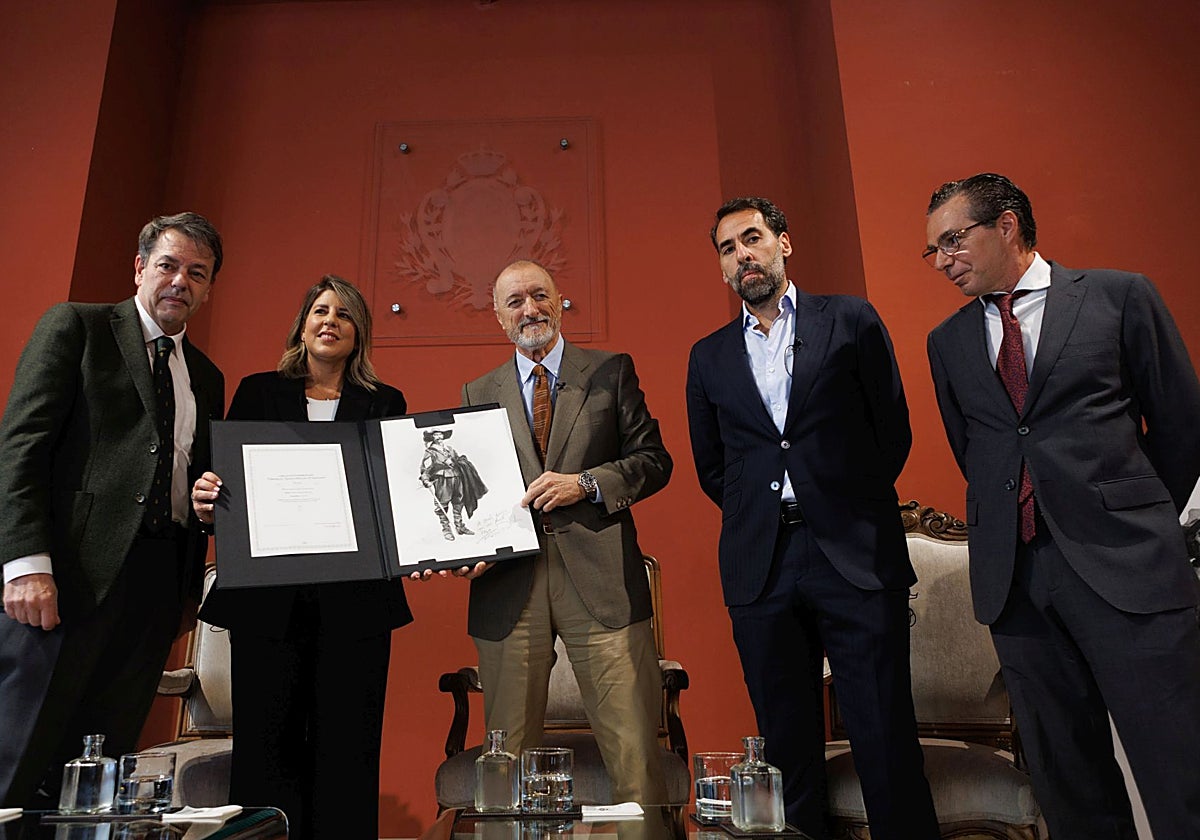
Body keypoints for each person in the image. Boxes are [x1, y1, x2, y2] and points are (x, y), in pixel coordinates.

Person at [925, 173, 1200, 839]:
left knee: (1179, 771)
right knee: (1068, 785)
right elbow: (979, 454)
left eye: (953, 240)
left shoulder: (1119, 296)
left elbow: (1181, 429)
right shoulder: (948, 341)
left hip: (1127, 570)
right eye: (932, 251)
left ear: (1008, 225)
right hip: (1018, 586)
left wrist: (1126, 515)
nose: (942, 261)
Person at [686, 197, 938, 839]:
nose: (742, 254)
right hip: (761, 564)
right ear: (720, 268)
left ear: (783, 243)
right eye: (727, 248)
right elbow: (715, 468)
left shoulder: (848, 319)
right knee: (784, 749)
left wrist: (843, 500)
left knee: (883, 734)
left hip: (853, 552)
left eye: (752, 238)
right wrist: (767, 514)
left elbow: (893, 431)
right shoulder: (708, 356)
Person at [0, 213, 225, 809]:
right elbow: (22, 445)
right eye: (169, 265)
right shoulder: (77, 326)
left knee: (97, 777)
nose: (180, 281)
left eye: (196, 273)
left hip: (154, 592)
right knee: (17, 758)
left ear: (207, 288)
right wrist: (24, 563)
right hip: (67, 580)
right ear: (140, 267)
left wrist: (185, 586)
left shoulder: (206, 375)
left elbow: (187, 481)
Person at [190, 275, 410, 840]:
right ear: (303, 325)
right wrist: (209, 499)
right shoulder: (257, 391)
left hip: (356, 605)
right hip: (268, 602)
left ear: (359, 332)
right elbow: (220, 479)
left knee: (348, 748)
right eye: (319, 310)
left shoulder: (385, 402)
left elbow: (396, 495)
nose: (329, 320)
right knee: (266, 746)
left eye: (344, 313)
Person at [456, 259, 672, 804]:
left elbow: (654, 460)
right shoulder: (478, 390)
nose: (530, 309)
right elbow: (468, 488)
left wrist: (587, 483)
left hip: (600, 582)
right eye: (515, 301)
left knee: (633, 750)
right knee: (505, 757)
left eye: (539, 295)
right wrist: (464, 543)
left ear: (560, 300)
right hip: (508, 584)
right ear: (498, 317)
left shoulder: (610, 371)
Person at [419, 428, 486, 540]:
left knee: (459, 502)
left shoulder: (450, 449)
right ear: (432, 437)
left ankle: (460, 527)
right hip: (442, 481)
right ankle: (446, 530)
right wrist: (425, 480)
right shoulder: (430, 452)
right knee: (442, 505)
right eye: (436, 435)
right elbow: (425, 468)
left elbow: (458, 461)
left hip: (457, 478)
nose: (439, 437)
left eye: (440, 434)